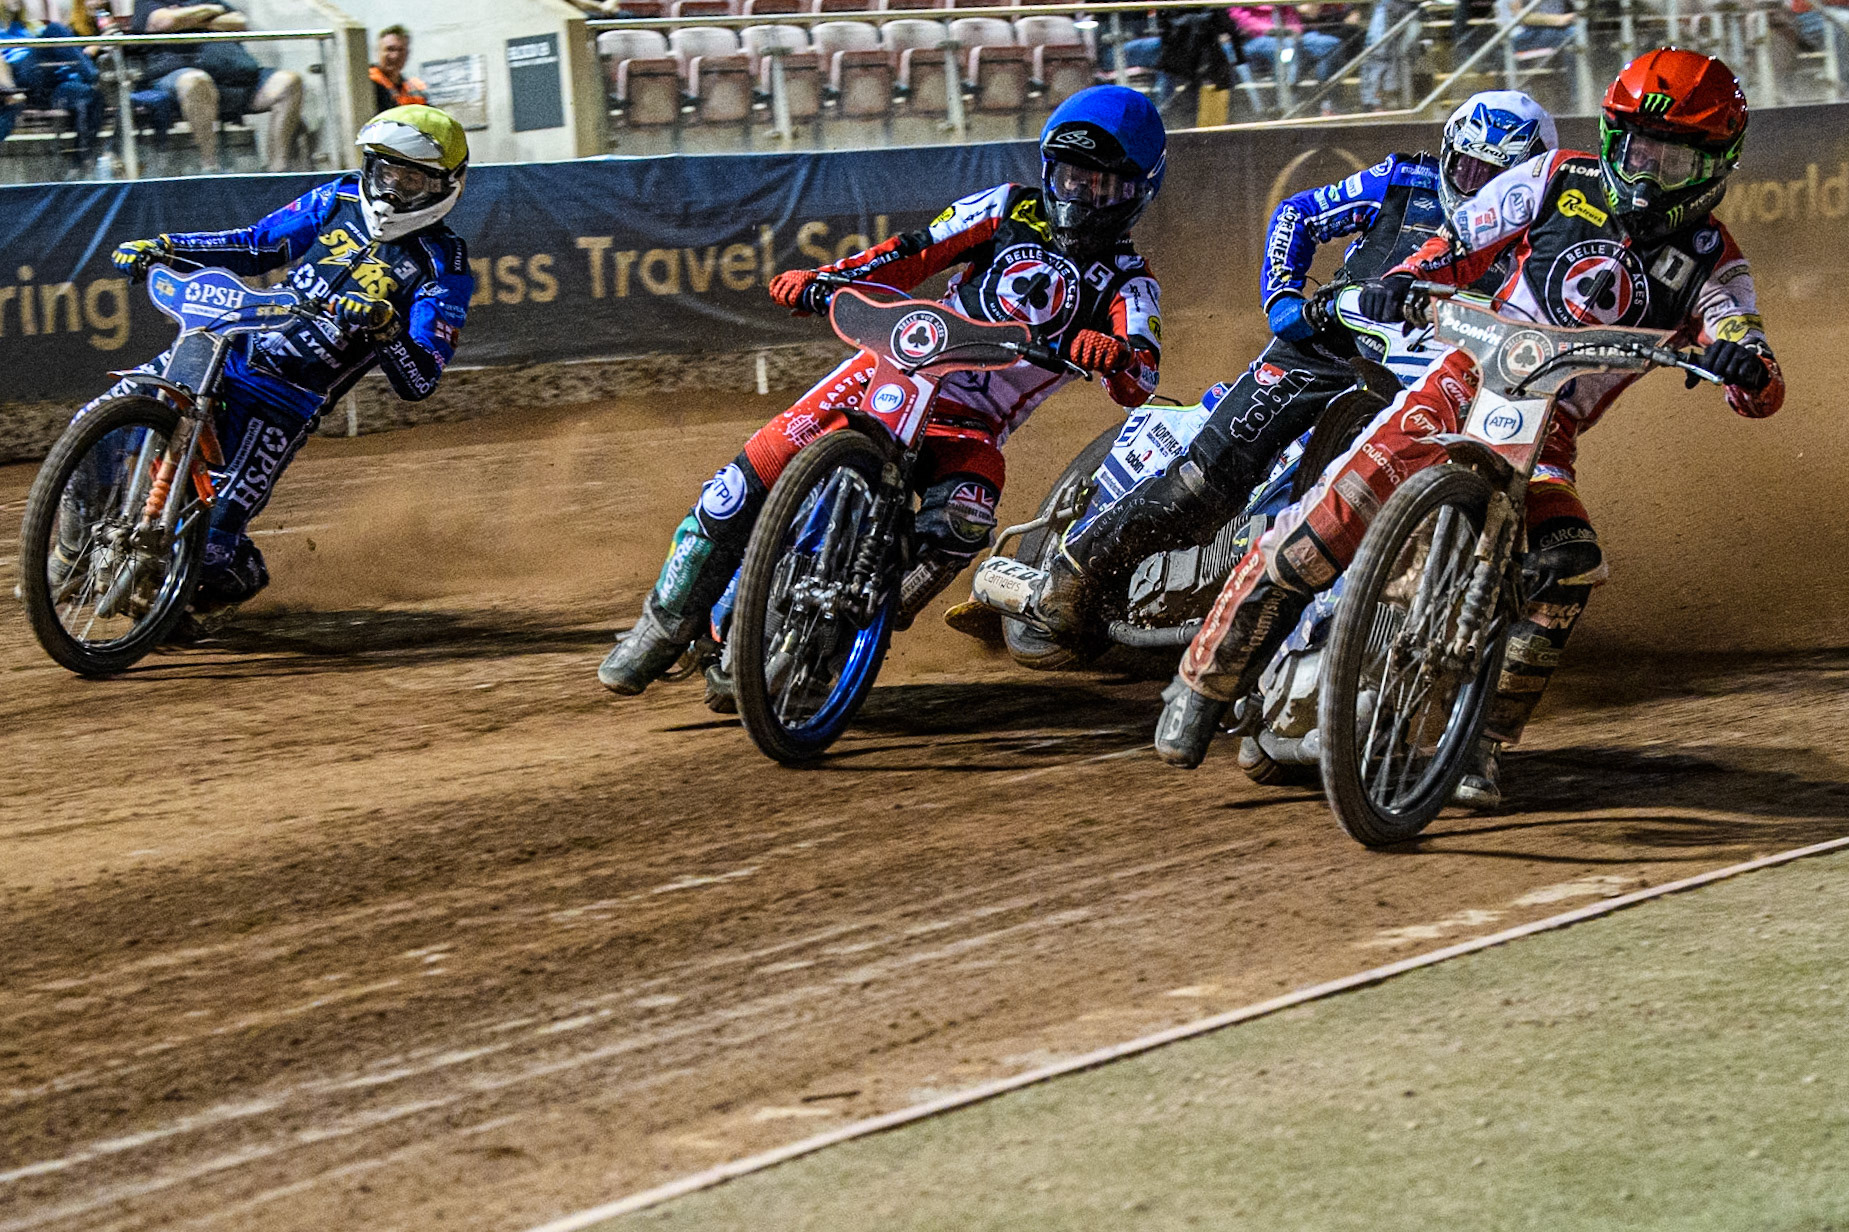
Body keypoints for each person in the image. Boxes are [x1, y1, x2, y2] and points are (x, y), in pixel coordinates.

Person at [1153, 49, 1785, 808]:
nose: (1647, 174)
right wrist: (1403, 281)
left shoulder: (1716, 264)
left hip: (1547, 433)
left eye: (1673, 159)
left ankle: (1478, 744)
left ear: (1714, 166)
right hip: (1461, 381)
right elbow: (1459, 241)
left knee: (1568, 563)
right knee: (1326, 522)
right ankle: (1202, 683)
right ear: (1611, 139)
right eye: (1638, 150)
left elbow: (1752, 361)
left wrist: (1746, 368)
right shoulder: (1555, 178)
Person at [597, 85, 1167, 696]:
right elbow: (911, 253)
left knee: (965, 518)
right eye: (1071, 177)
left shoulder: (1131, 282)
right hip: (889, 371)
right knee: (735, 488)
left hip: (971, 425)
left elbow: (1142, 376)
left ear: (1137, 193)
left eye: (1101, 186)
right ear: (1050, 170)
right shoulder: (1006, 207)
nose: (1080, 196)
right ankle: (659, 627)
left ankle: (854, 627)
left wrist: (1113, 357)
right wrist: (824, 279)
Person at [1031, 90, 1557, 641]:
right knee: (1205, 482)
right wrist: (1285, 297)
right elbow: (1298, 214)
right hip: (1331, 351)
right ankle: (1074, 573)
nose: (1478, 188)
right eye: (1467, 168)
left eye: (1496, 176)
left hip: (1448, 385)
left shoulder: (1550, 239)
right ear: (1447, 155)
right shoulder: (1405, 180)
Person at [101, 106, 472, 614]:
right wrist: (166, 247)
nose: (392, 191)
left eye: (411, 180)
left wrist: (385, 327)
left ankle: (222, 589)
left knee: (213, 552)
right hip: (226, 344)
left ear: (444, 186)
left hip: (283, 402)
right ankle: (66, 553)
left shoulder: (443, 266)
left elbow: (420, 379)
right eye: (386, 173)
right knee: (96, 420)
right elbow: (257, 246)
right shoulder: (339, 196)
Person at [128, 1, 302, 172]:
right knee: (196, 81)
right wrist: (211, 12)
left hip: (239, 77)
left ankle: (277, 170)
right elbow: (164, 22)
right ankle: (210, 167)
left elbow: (239, 23)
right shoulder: (148, 2)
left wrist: (188, 19)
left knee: (288, 82)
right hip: (179, 78)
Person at [0, 0, 104, 172]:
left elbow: (64, 51)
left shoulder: (28, 27)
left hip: (49, 85)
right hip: (20, 80)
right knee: (54, 29)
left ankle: (80, 165)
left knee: (91, 95)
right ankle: (92, 75)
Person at [1232, 4, 1345, 90]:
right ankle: (1289, 92)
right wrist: (1271, 29)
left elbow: (1292, 17)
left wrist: (1294, 31)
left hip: (1289, 37)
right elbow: (1238, 17)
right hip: (1255, 40)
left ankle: (1322, 92)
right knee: (1288, 48)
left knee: (1330, 44)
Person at [369, 23, 425, 114]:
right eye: (390, 49)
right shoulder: (368, 85)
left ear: (407, 53)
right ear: (377, 51)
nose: (395, 55)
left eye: (401, 50)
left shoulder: (413, 89)